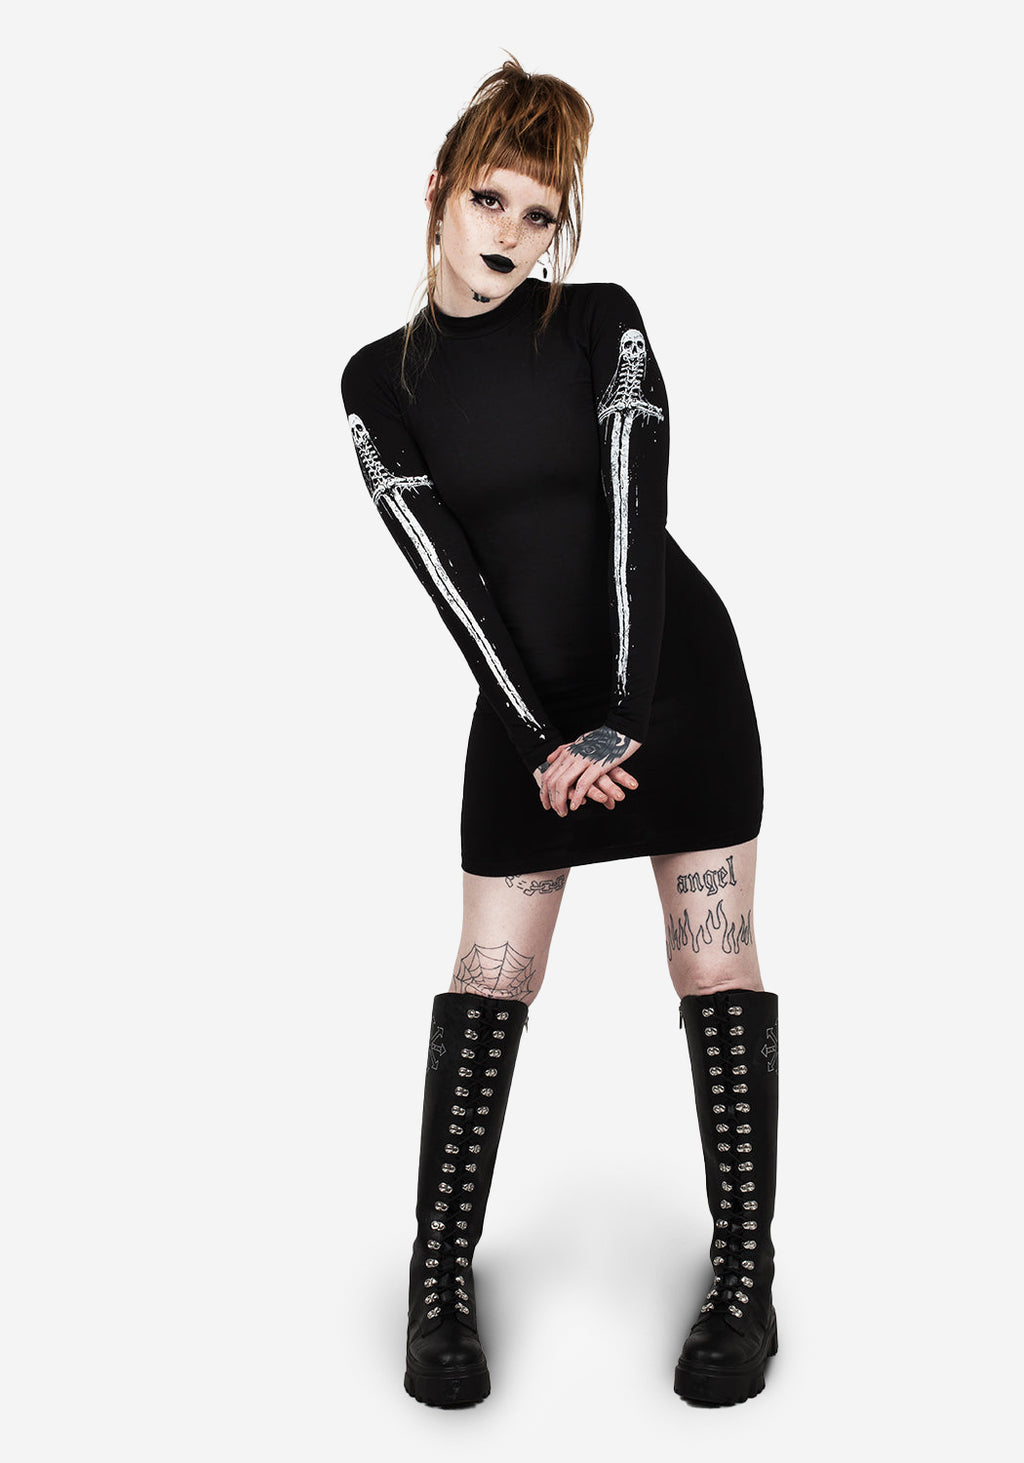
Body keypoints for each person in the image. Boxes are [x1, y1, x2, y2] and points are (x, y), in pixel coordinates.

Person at [340, 56, 779, 1409]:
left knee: (712, 961)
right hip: (526, 710)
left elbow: (637, 510)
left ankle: (746, 1275)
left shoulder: (600, 321)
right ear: (438, 189)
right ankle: (437, 1278)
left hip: (673, 686)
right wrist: (542, 735)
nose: (513, 236)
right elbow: (447, 573)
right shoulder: (377, 381)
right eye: (493, 200)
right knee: (490, 975)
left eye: (540, 215)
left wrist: (623, 720)